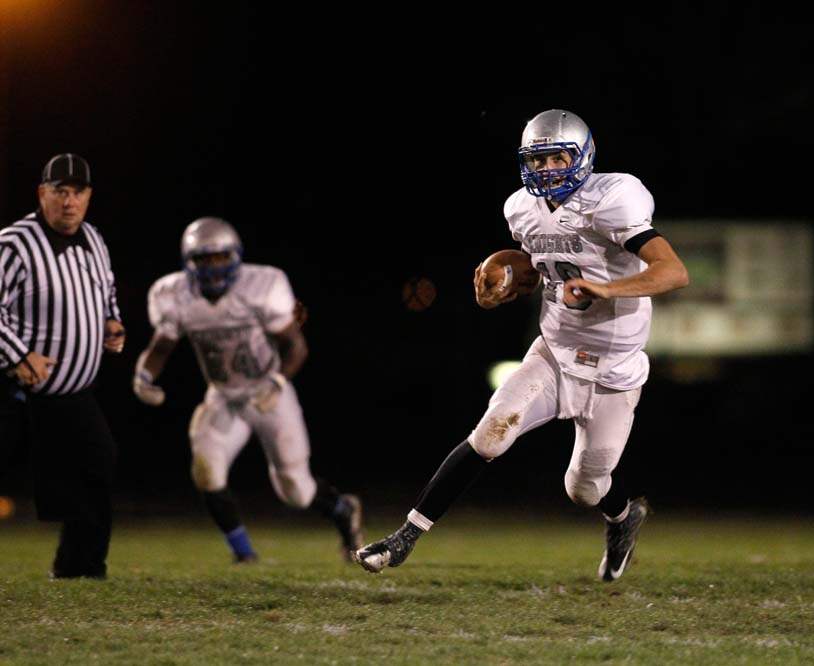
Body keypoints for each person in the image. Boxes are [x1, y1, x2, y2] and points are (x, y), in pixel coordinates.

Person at [354, 109, 689, 581]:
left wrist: (606, 289)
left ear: (583, 156)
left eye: (558, 158)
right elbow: (542, 265)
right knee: (492, 432)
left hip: (615, 367)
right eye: (538, 159)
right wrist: (505, 283)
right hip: (555, 351)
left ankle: (623, 518)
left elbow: (673, 271)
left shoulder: (614, 197)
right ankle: (405, 537)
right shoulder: (521, 208)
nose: (547, 169)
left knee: (584, 488)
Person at [133, 217, 363, 563]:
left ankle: (343, 510)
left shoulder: (262, 285)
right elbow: (161, 348)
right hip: (223, 395)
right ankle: (243, 555)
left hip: (269, 393)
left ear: (235, 256)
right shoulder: (175, 295)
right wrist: (143, 376)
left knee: (295, 490)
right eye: (204, 259)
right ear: (188, 262)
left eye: (220, 257)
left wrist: (277, 382)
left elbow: (296, 347)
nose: (213, 268)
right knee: (206, 470)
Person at [0, 153, 124, 579]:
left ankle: (80, 568)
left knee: (98, 462)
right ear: (42, 194)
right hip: (15, 390)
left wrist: (111, 320)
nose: (70, 202)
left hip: (72, 394)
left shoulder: (93, 238)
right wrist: (18, 355)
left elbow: (107, 288)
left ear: (89, 196)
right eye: (60, 192)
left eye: (78, 192)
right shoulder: (15, 243)